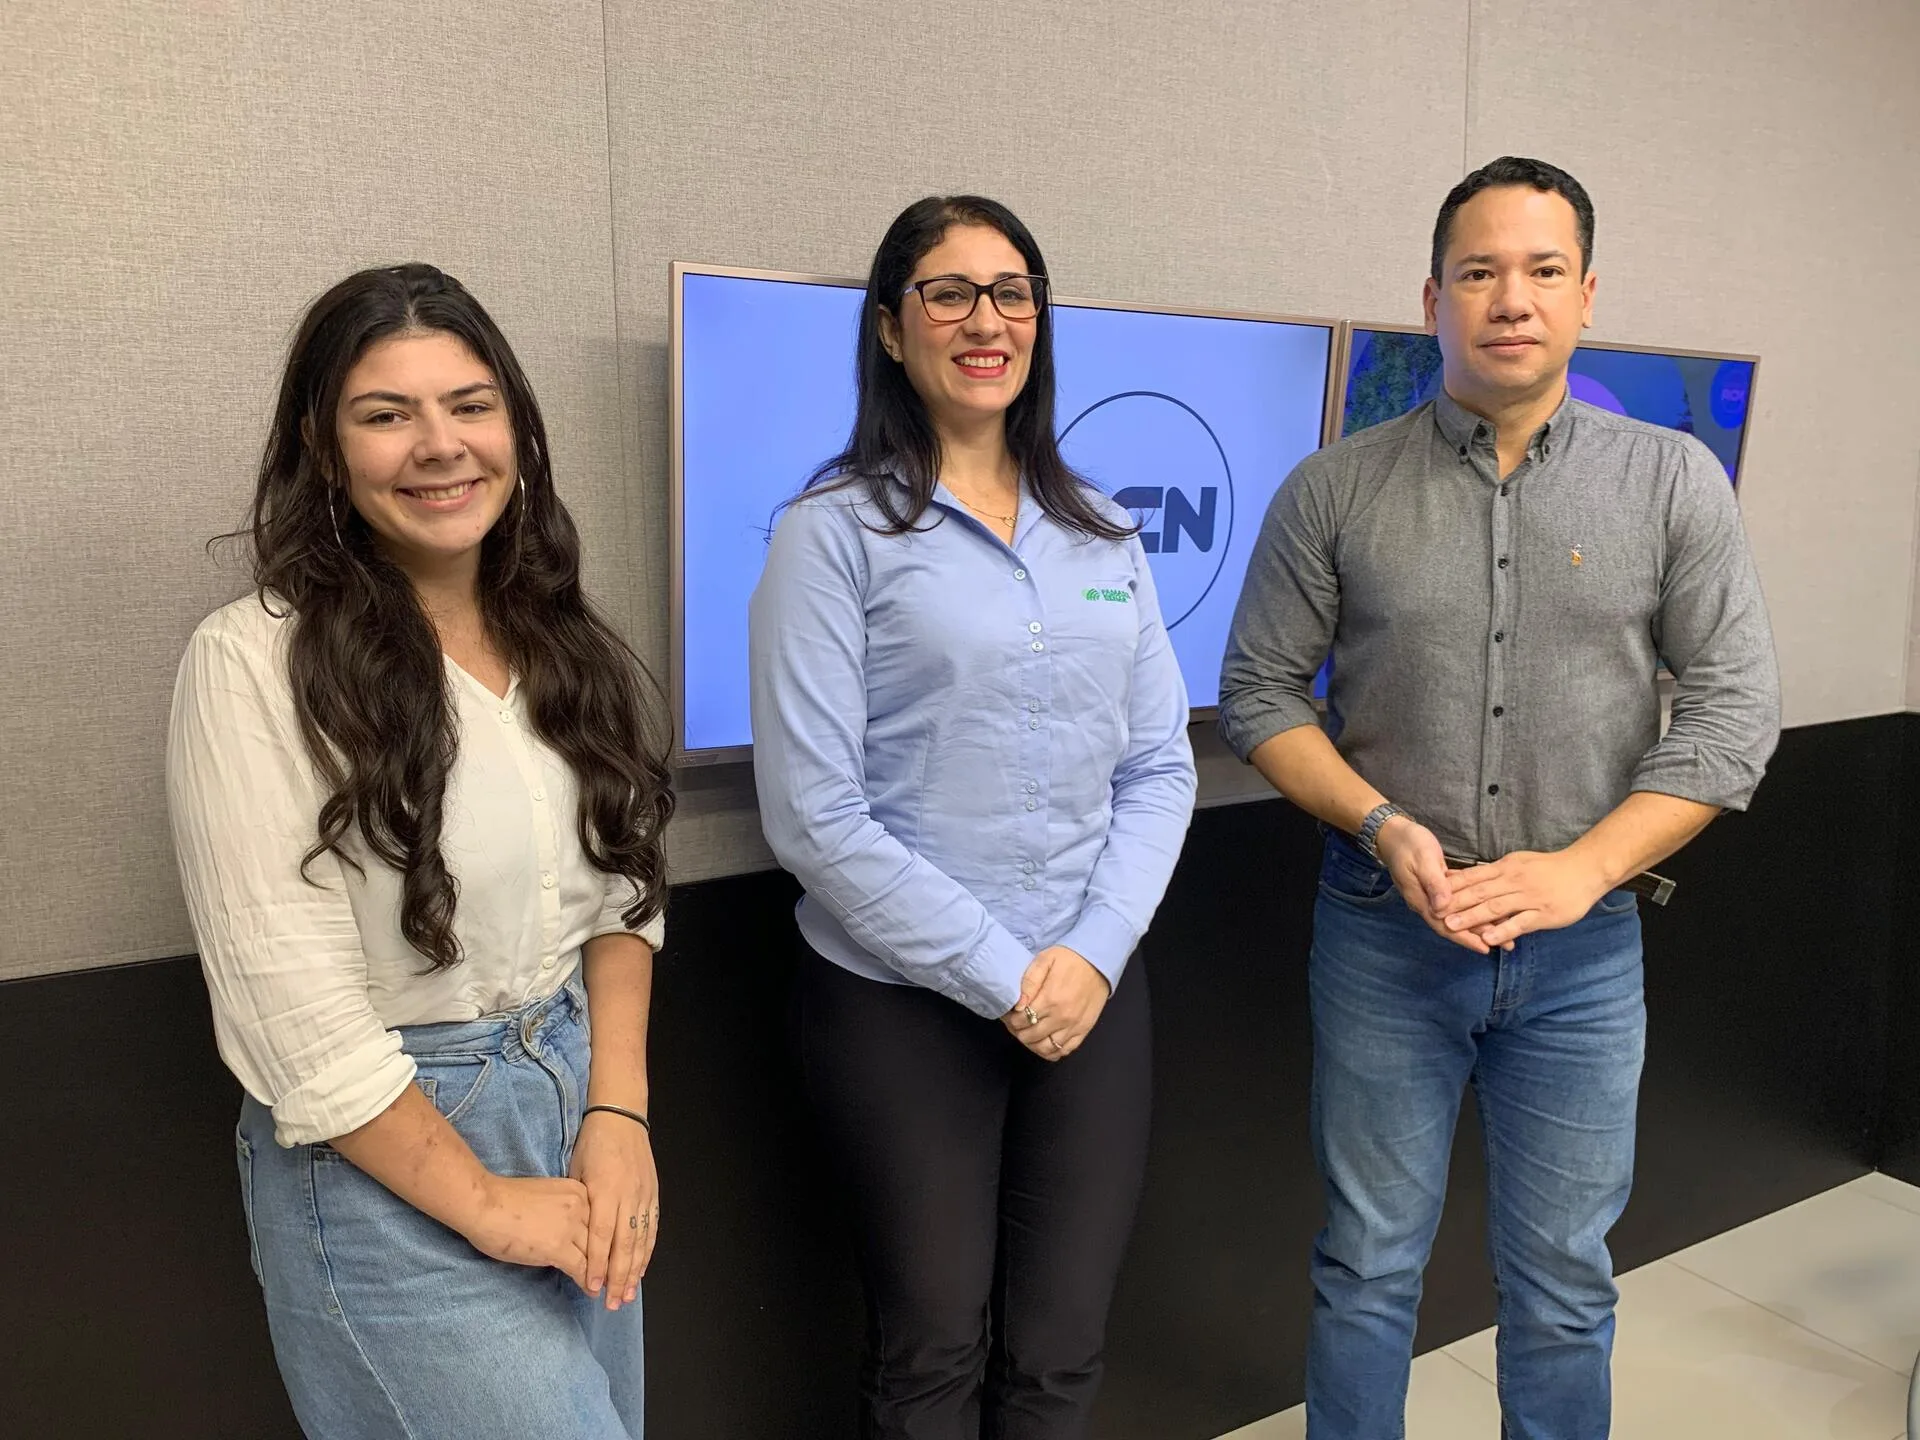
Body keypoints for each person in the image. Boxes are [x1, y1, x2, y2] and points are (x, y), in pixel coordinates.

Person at [1218, 157, 1780, 1439]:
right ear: (1432, 298)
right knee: (1366, 1271)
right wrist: (1381, 823)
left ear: (1587, 296)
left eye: (1540, 272)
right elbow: (1256, 692)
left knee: (1566, 1286)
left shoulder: (1673, 481)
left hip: (1585, 953)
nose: (1508, 299)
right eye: (1478, 271)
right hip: (1382, 933)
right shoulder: (1337, 488)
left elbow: (1738, 715)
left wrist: (1581, 869)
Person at [166, 263, 674, 1439]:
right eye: (387, 414)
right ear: (323, 445)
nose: (440, 445)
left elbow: (627, 897)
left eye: (471, 404)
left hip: (575, 1105)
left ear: (517, 427)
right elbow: (298, 1029)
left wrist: (619, 1114)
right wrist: (491, 1208)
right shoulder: (251, 663)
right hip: (383, 1158)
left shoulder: (564, 641)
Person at [749, 195, 1197, 1439]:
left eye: (1011, 293)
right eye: (948, 293)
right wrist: (1007, 975)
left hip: (1092, 986)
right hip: (903, 1004)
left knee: (1061, 1351)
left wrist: (1092, 953)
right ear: (892, 329)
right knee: (932, 1351)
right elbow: (813, 814)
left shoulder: (1103, 529)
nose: (985, 320)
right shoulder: (831, 534)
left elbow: (1160, 765)